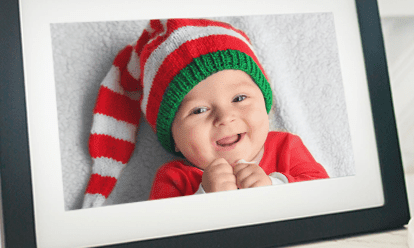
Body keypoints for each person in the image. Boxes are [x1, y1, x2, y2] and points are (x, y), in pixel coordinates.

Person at [82, 18, 328, 207]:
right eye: (198, 110)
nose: (224, 118)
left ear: (265, 104)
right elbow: (166, 237)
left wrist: (274, 185)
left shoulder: (286, 147)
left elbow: (326, 197)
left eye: (239, 98)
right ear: (174, 138)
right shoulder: (175, 179)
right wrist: (205, 197)